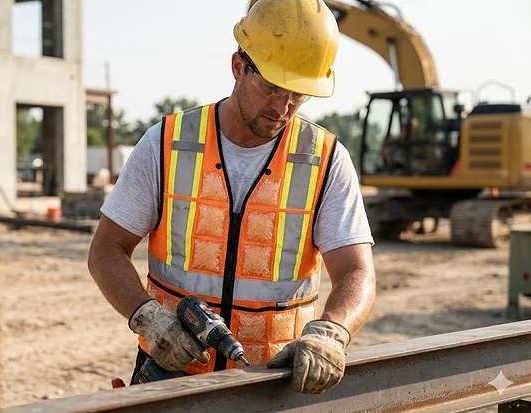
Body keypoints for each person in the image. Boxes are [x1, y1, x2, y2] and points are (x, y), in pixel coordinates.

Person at [87, 0, 376, 395]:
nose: (282, 108)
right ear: (239, 67)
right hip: (172, 378)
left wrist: (333, 331)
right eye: (272, 87)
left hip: (270, 385)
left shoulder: (325, 160)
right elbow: (106, 250)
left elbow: (357, 272)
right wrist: (147, 318)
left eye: (298, 95)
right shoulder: (167, 144)